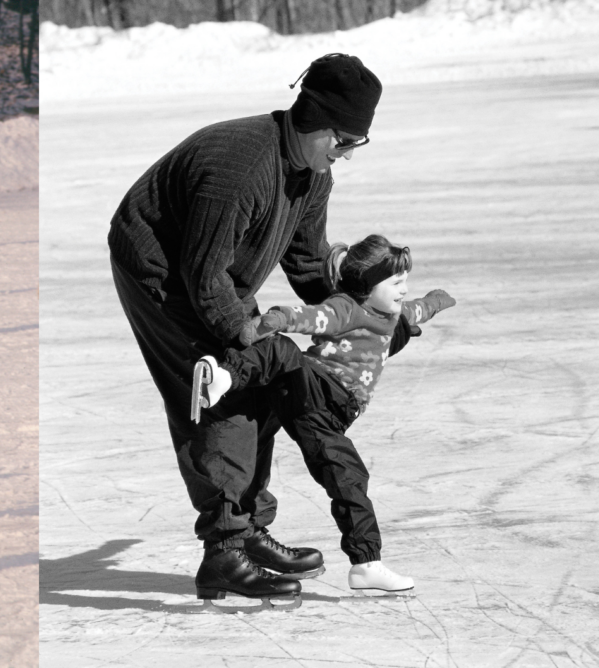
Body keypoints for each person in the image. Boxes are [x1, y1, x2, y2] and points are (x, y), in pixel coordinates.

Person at [107, 53, 383, 603]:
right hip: (161, 271)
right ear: (317, 122)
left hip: (213, 272)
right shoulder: (242, 167)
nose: (348, 154)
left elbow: (306, 263)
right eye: (346, 140)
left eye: (357, 144)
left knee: (259, 383)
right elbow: (204, 278)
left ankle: (247, 528)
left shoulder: (312, 175)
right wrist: (241, 340)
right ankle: (225, 551)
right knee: (218, 390)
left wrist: (362, 317)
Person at [194, 235, 456, 596]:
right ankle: (222, 378)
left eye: (405, 281)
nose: (403, 290)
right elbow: (312, 317)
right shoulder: (347, 308)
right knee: (283, 350)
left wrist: (437, 300)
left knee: (349, 477)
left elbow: (418, 309)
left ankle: (366, 565)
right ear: (368, 284)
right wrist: (278, 318)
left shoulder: (394, 314)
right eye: (396, 282)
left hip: (329, 415)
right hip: (316, 388)